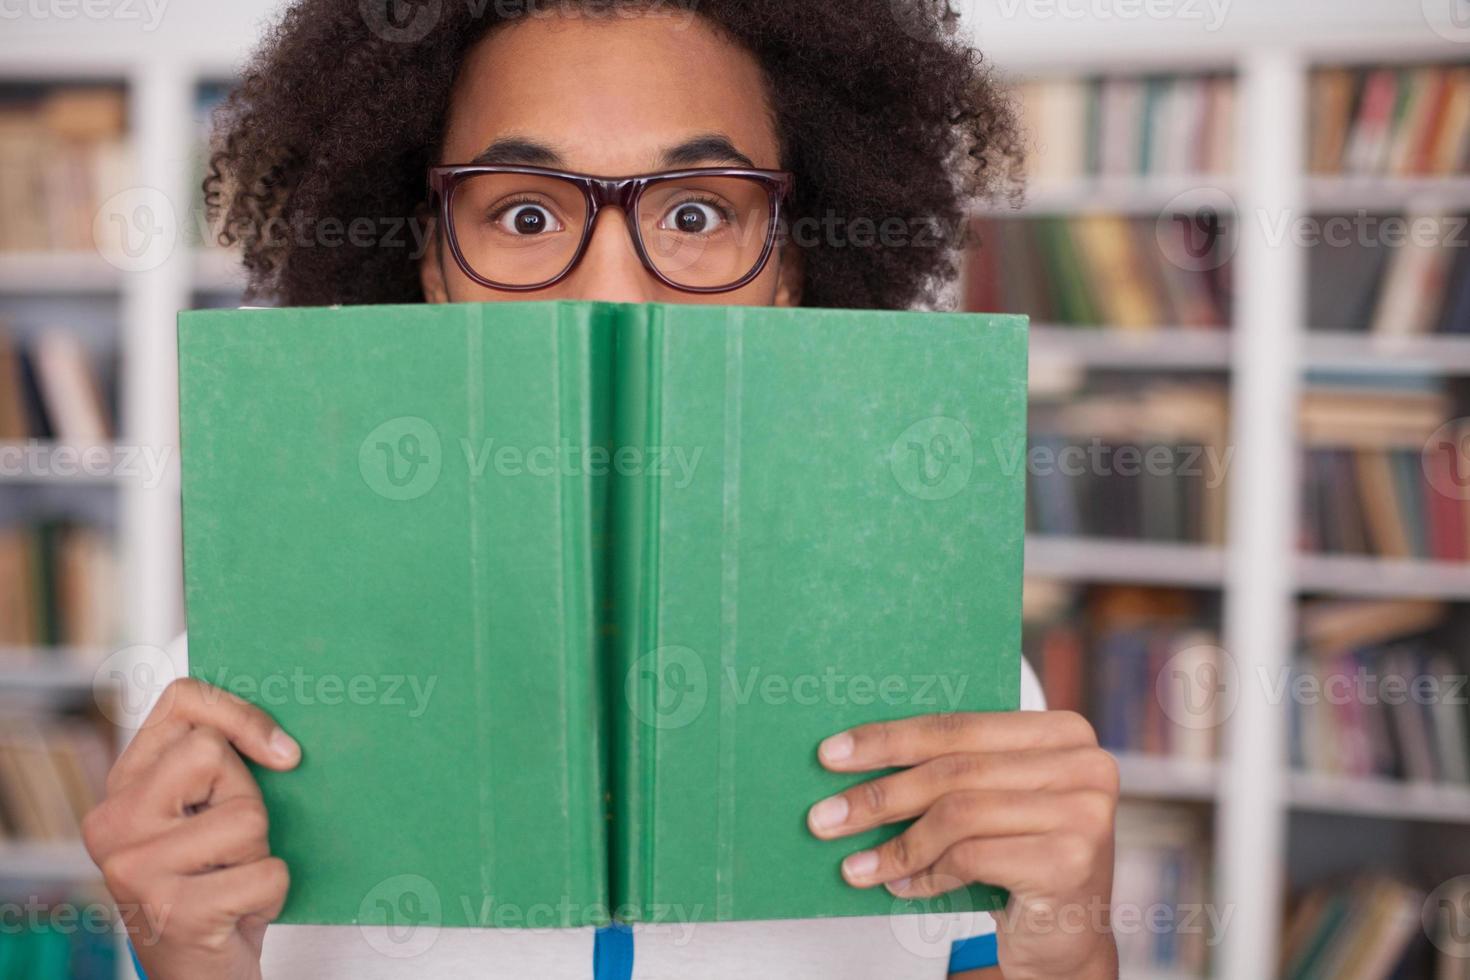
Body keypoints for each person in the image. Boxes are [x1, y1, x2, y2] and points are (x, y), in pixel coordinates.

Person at [82, 2, 1121, 977]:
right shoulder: (227, 693)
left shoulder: (957, 687)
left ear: (792, 264)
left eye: (699, 210)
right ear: (433, 264)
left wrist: (1071, 952)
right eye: (527, 214)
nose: (612, 287)